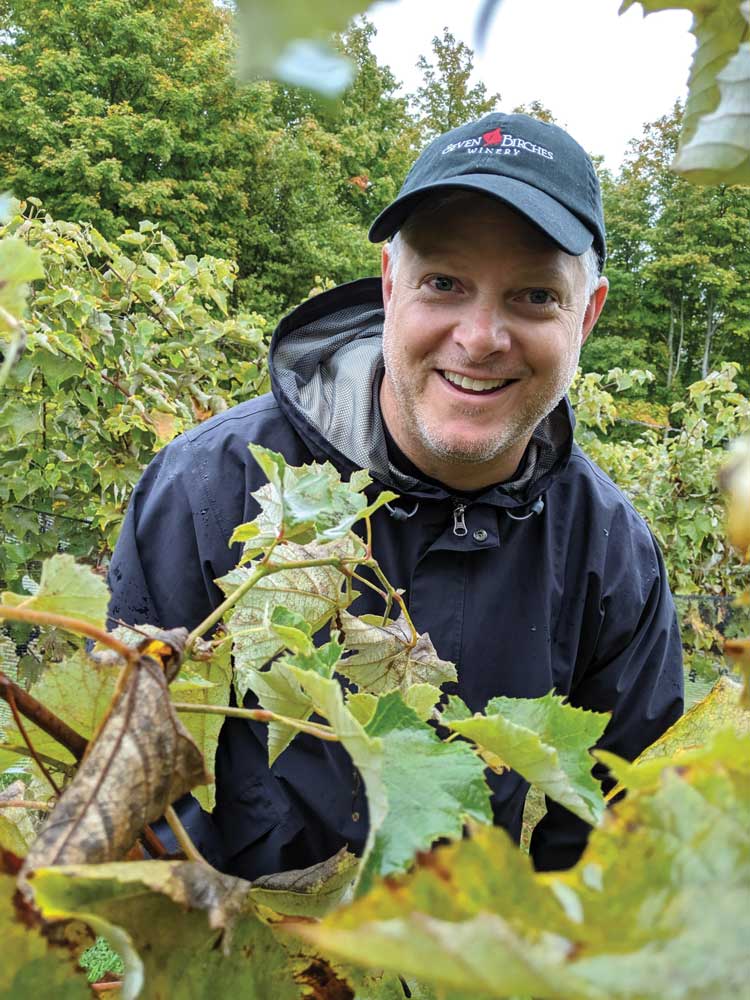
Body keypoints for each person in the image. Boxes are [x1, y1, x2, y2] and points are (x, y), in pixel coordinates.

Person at [108, 113, 684, 878]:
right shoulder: (209, 488)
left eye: (535, 296)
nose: (480, 337)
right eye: (444, 283)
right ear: (389, 286)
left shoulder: (612, 554)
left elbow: (617, 841)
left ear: (588, 315)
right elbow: (129, 774)